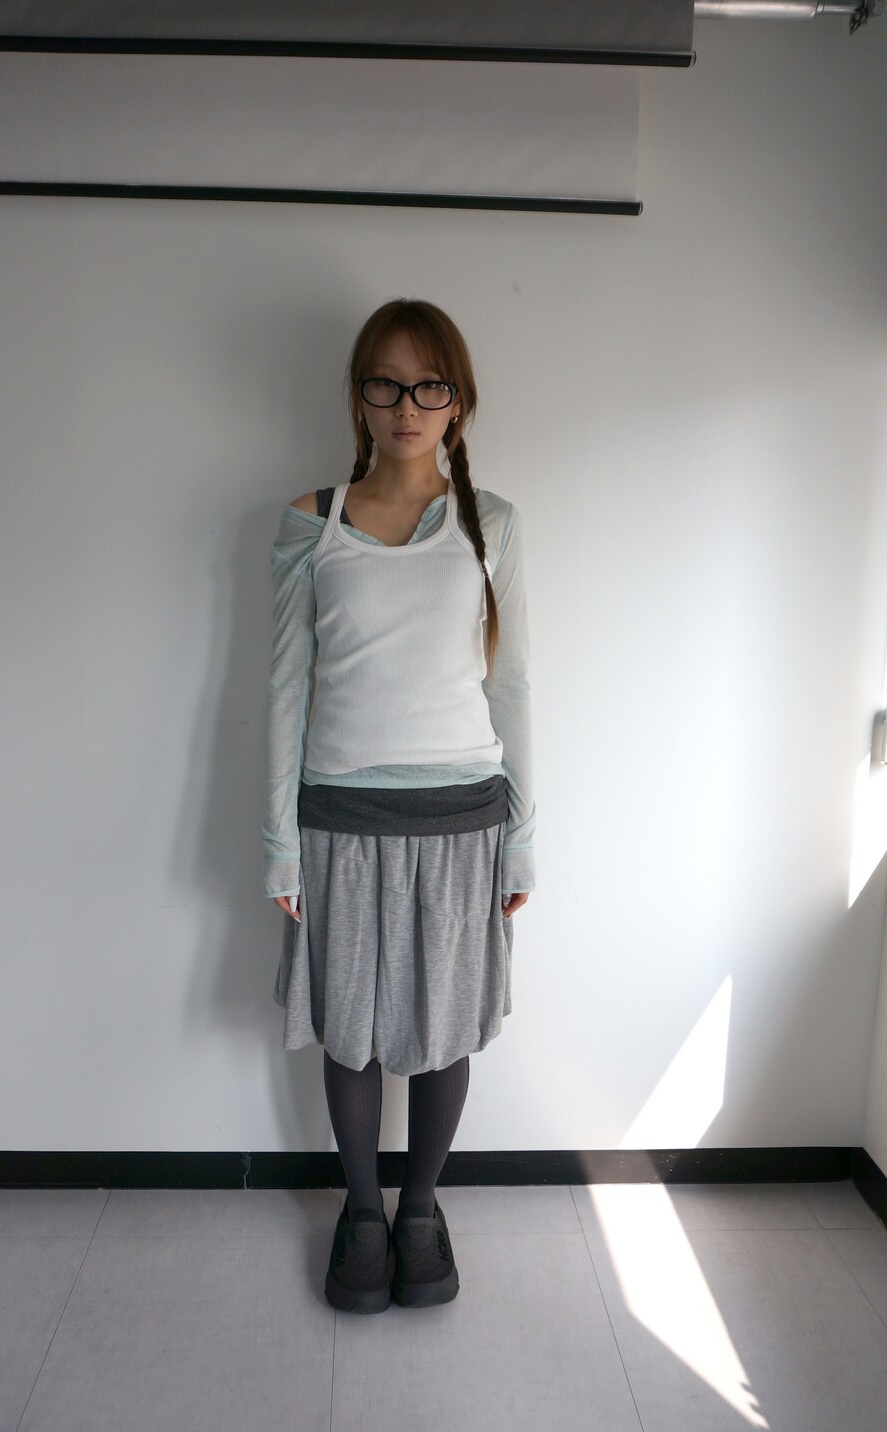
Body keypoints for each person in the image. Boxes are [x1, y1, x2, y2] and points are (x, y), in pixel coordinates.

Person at [262, 298, 535, 1313]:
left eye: (430, 385)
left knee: (442, 1027)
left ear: (458, 400)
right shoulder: (311, 519)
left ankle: (421, 1208)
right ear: (359, 395)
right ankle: (364, 1211)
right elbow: (285, 689)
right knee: (350, 1028)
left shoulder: (490, 523)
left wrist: (524, 841)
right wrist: (278, 843)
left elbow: (512, 688)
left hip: (464, 819)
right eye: (386, 382)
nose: (407, 405)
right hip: (338, 819)